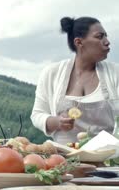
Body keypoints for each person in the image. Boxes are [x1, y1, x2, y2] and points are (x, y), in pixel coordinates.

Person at [31, 16, 119, 144]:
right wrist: (57, 122)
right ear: (79, 42)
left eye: (106, 36)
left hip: (108, 158)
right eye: (100, 37)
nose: (107, 42)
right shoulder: (51, 73)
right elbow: (37, 114)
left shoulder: (115, 73)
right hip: (64, 159)